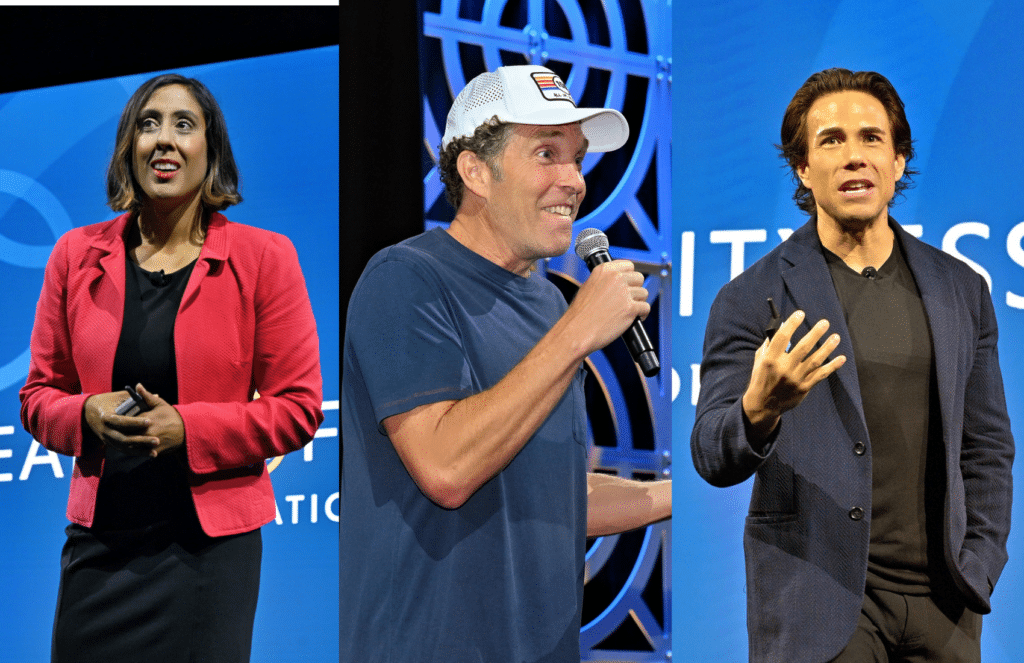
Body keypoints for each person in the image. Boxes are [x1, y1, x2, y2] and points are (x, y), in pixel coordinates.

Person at [341, 64, 672, 662]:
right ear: (475, 171)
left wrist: (683, 496)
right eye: (547, 154)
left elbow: (554, 494)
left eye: (577, 159)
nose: (574, 180)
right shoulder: (405, 279)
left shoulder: (549, 305)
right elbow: (446, 468)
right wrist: (576, 335)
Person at [691, 67, 1014, 662]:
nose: (853, 156)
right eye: (831, 141)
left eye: (871, 138)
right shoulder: (751, 296)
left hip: (945, 608)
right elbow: (712, 452)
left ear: (897, 161)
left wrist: (980, 565)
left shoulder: (961, 289)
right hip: (820, 607)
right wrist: (759, 409)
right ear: (802, 168)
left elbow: (987, 446)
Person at [19, 73, 323, 662]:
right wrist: (86, 414)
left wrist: (187, 428)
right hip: (100, 548)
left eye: (184, 125)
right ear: (128, 148)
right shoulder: (75, 256)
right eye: (148, 124)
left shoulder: (265, 258)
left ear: (211, 150)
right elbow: (37, 397)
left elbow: (298, 408)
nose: (164, 139)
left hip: (208, 557)